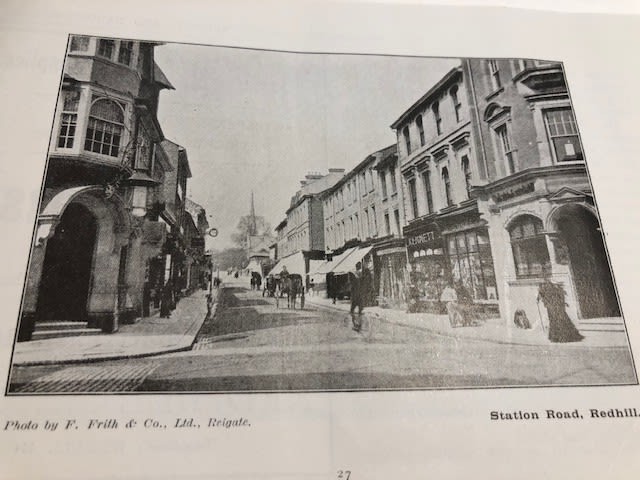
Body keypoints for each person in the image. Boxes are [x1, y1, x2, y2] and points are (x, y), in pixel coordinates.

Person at [349, 262, 365, 331]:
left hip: (355, 296)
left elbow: (352, 287)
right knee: (360, 311)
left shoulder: (354, 276)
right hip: (360, 296)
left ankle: (355, 324)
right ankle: (359, 325)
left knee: (352, 311)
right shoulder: (362, 275)